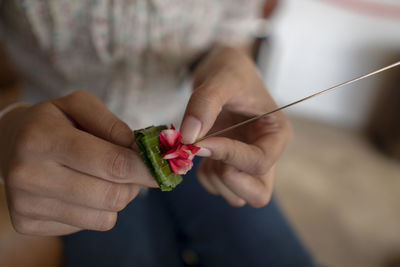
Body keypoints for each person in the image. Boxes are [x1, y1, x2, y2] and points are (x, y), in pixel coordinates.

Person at [0, 0, 314, 266]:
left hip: (202, 137)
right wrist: (8, 128)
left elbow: (235, 33)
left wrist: (228, 61)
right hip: (72, 157)